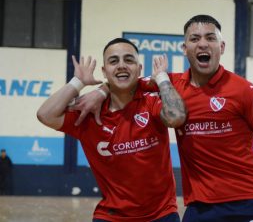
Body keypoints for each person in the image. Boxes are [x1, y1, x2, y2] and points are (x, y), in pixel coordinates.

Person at [73, 15, 253, 221]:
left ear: (221, 46)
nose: (202, 43)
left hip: (249, 200)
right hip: (200, 207)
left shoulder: (244, 91)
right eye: (195, 38)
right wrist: (101, 90)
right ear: (184, 48)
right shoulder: (169, 85)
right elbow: (125, 82)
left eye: (210, 38)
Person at [37, 38, 186, 222]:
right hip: (111, 216)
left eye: (129, 60)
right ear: (104, 71)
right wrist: (78, 82)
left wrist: (161, 78)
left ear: (139, 69)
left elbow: (176, 116)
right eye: (113, 61)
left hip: (161, 214)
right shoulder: (88, 113)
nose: (122, 65)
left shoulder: (152, 99)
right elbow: (45, 115)